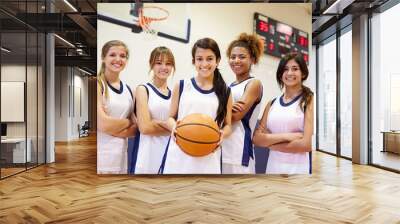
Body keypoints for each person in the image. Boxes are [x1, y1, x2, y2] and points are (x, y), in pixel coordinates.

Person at [160, 37, 233, 174]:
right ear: (194, 61)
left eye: (209, 58)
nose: (204, 63)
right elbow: (170, 118)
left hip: (209, 155)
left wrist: (223, 134)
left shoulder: (226, 91)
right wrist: (174, 127)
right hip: (179, 153)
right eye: (199, 59)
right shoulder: (181, 86)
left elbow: (228, 125)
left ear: (217, 61)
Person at [253, 52, 314, 174]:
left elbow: (306, 144)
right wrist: (288, 137)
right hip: (272, 167)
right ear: (281, 74)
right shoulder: (271, 104)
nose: (290, 73)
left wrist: (270, 144)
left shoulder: (309, 100)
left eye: (295, 69)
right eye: (285, 69)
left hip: (298, 169)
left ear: (303, 73)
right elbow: (257, 139)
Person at [221, 33, 264, 174]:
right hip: (221, 146)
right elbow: (225, 115)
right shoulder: (229, 86)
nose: (236, 60)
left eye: (242, 57)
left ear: (252, 59)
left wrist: (222, 109)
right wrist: (226, 108)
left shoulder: (254, 83)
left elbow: (235, 116)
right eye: (232, 57)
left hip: (239, 151)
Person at [129, 46, 175, 174]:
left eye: (168, 64)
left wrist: (156, 123)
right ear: (151, 65)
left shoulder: (174, 94)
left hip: (169, 150)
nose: (164, 67)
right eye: (159, 63)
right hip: (147, 152)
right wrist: (169, 127)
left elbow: (178, 129)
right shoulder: (143, 89)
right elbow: (145, 128)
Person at [97, 40, 136, 174]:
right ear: (103, 58)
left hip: (121, 158)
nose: (118, 59)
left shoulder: (129, 89)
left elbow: (135, 129)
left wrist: (112, 127)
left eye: (122, 56)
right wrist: (128, 122)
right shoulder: (97, 84)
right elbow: (103, 124)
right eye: (112, 55)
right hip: (101, 158)